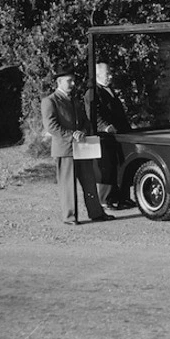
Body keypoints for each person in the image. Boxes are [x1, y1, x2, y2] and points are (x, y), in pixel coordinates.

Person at [41, 65, 115, 225]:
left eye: (73, 80)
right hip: (65, 149)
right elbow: (51, 126)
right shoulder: (50, 101)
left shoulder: (75, 101)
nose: (73, 84)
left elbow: (85, 121)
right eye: (69, 81)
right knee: (68, 185)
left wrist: (82, 131)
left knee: (89, 181)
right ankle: (70, 217)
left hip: (81, 147)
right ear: (59, 82)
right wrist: (72, 135)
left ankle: (96, 213)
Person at [84, 62, 136, 210]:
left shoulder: (109, 89)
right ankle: (105, 200)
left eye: (110, 73)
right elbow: (93, 114)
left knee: (121, 165)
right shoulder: (93, 92)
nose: (111, 76)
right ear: (98, 75)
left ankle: (122, 198)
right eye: (107, 74)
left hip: (119, 134)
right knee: (107, 168)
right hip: (104, 136)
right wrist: (105, 127)